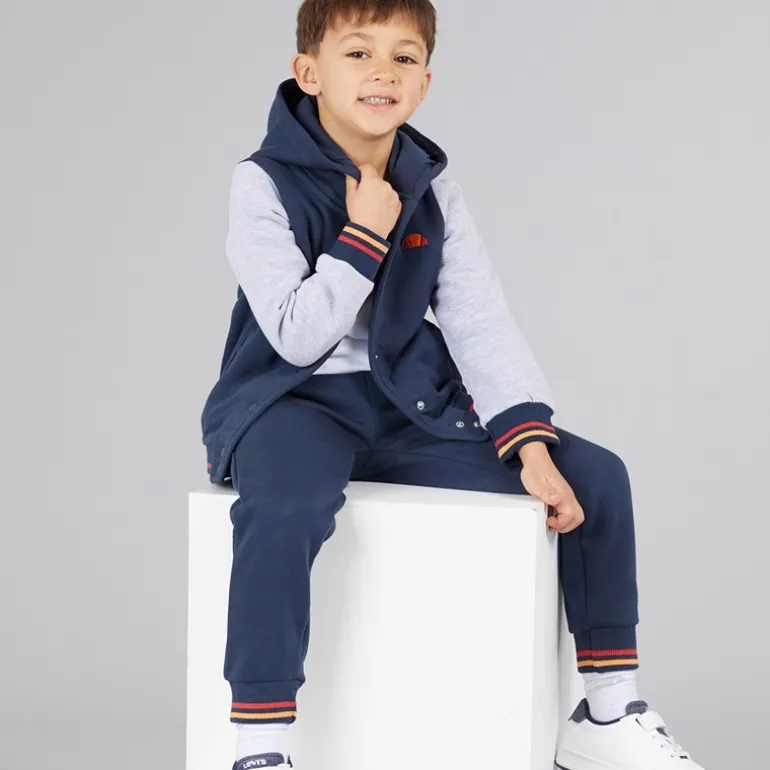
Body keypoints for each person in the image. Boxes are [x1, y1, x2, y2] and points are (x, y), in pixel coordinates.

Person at [200, 1, 706, 768]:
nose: (382, 71)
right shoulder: (261, 183)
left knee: (596, 477)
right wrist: (364, 234)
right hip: (290, 401)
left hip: (409, 405)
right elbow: (296, 333)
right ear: (309, 73)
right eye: (358, 52)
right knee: (284, 509)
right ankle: (260, 745)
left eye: (404, 58)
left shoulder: (433, 191)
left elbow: (478, 320)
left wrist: (529, 443)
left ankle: (607, 713)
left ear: (425, 82)